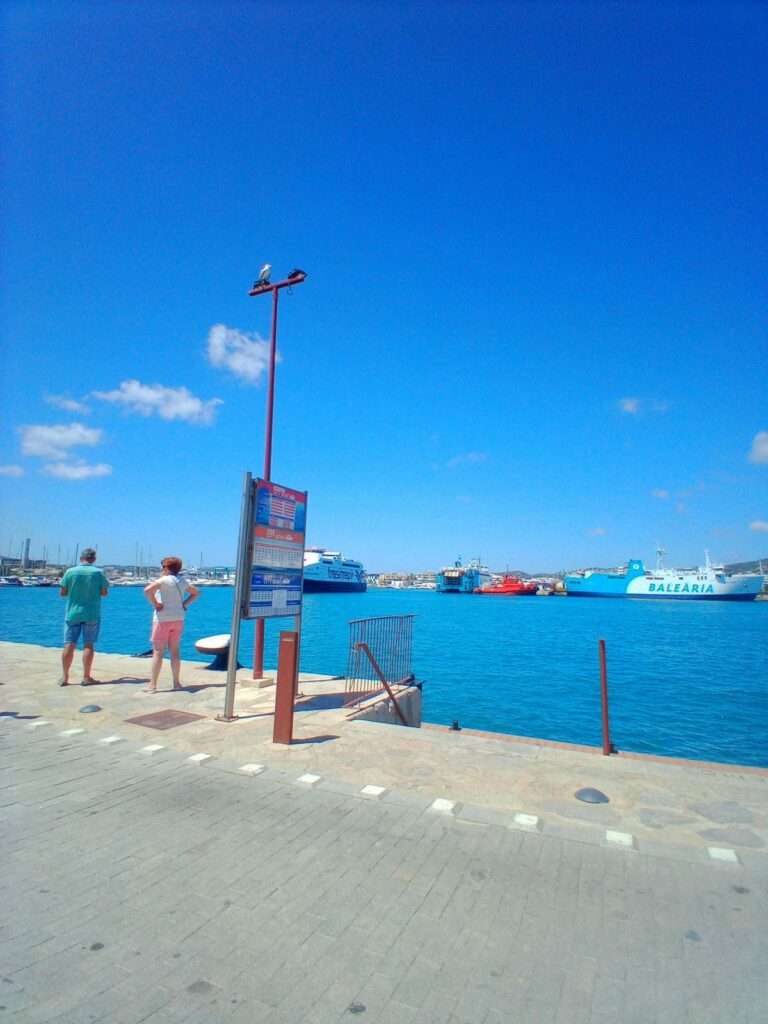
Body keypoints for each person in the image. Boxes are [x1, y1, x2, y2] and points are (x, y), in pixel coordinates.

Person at [143, 557, 200, 692]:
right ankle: (176, 682)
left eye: (163, 566)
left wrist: (156, 604)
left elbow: (147, 590)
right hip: (178, 618)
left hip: (162, 619)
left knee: (158, 652)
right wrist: (185, 604)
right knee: (175, 651)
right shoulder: (182, 581)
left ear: (166, 568)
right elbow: (196, 593)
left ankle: (153, 685)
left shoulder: (163, 580)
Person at [59, 547, 109, 686]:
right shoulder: (98, 573)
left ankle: (65, 677)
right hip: (92, 613)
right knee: (88, 644)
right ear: (93, 559)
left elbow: (63, 593)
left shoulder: (70, 572)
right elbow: (104, 593)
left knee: (69, 644)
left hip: (73, 612)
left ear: (81, 558)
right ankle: (86, 677)